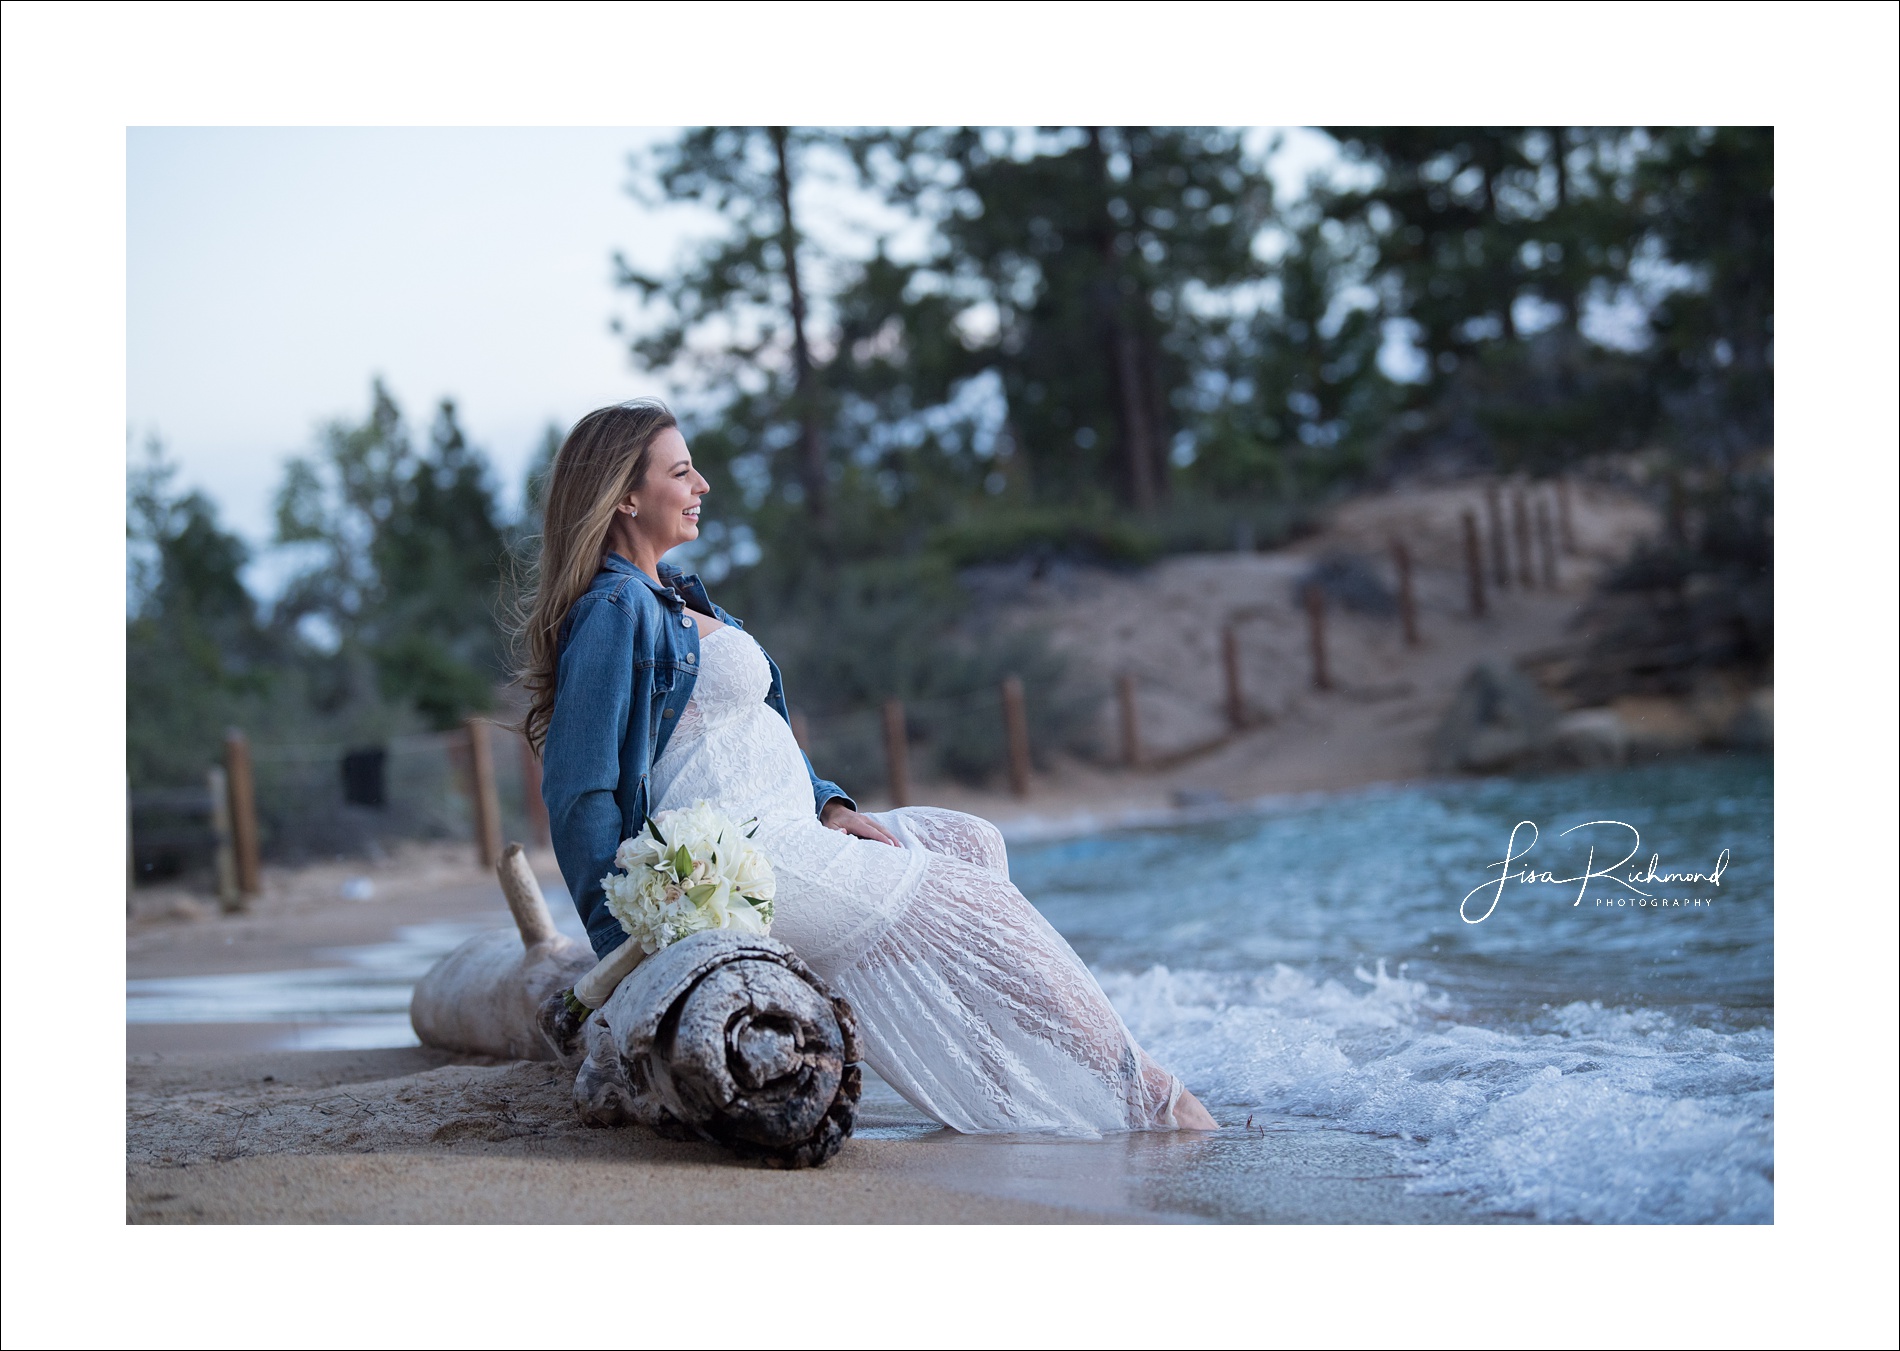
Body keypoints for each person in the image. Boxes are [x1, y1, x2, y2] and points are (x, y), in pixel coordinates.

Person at [520, 400, 1215, 1133]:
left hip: (790, 828)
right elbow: (578, 791)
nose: (704, 484)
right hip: (735, 860)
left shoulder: (678, 597)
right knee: (982, 909)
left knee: (971, 842)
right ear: (626, 495)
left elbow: (757, 733)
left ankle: (1007, 1089)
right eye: (683, 470)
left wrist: (833, 808)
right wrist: (624, 945)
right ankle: (1153, 1098)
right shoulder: (614, 610)